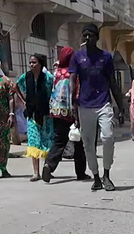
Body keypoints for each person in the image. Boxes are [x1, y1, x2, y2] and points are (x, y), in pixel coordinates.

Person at [70, 23, 125, 192]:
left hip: (103, 103)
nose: (87, 38)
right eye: (84, 35)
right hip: (85, 105)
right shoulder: (77, 57)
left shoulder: (106, 57)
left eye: (91, 35)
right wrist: (73, 103)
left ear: (97, 38)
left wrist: (121, 106)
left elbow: (113, 82)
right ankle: (95, 176)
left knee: (108, 137)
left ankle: (106, 175)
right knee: (88, 143)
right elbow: (72, 80)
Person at [42, 47, 89, 183]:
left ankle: (49, 165)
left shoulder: (57, 73)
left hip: (56, 111)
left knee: (58, 141)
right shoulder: (74, 73)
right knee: (78, 142)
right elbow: (76, 93)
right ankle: (81, 172)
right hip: (72, 111)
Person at [17, 54, 54, 182]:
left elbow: (53, 92)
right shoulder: (26, 76)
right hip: (32, 114)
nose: (32, 65)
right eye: (30, 62)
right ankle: (35, 172)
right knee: (33, 142)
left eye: (34, 62)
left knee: (46, 142)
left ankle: (46, 169)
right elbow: (15, 86)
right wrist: (23, 101)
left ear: (40, 64)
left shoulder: (48, 78)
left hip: (45, 115)